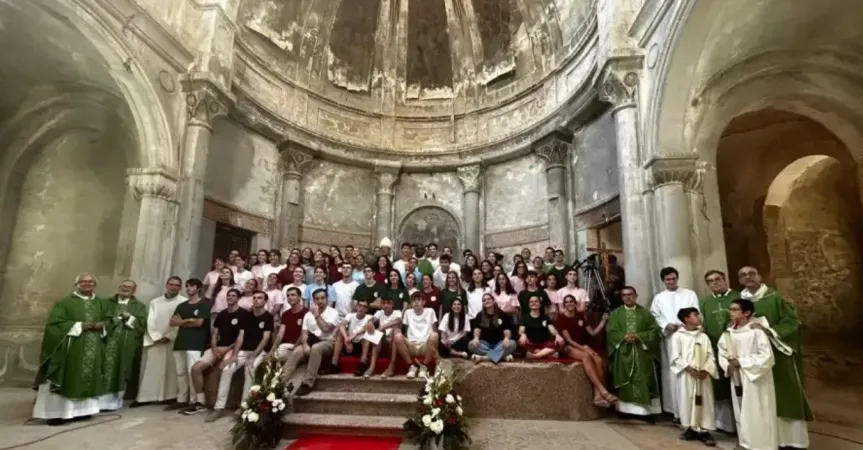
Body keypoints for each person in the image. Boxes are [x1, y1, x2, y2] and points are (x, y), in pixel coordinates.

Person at [737, 266, 812, 449]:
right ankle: (763, 439)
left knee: (785, 395)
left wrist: (768, 330)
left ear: (760, 276)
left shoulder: (775, 298)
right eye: (743, 275)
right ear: (739, 280)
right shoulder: (738, 301)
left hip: (779, 354)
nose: (748, 277)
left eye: (752, 273)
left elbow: (791, 322)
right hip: (753, 358)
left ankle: (792, 441)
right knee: (760, 398)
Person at [32, 273, 110, 425]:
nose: (87, 284)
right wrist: (79, 325)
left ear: (95, 285)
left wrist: (103, 324)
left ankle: (82, 411)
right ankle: (56, 413)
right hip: (70, 348)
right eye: (84, 281)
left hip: (94, 347)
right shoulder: (64, 303)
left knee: (89, 377)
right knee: (67, 376)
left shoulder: (101, 303)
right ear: (77, 284)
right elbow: (55, 325)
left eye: (91, 282)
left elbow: (109, 319)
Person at [718, 298, 788, 450]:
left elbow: (767, 357)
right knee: (741, 410)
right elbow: (722, 352)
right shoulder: (728, 333)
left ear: (747, 312)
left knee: (757, 410)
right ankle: (745, 442)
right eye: (730, 309)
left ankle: (761, 445)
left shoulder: (756, 332)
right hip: (736, 376)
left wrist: (741, 362)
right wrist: (728, 365)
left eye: (735, 309)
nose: (731, 312)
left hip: (755, 379)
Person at [206, 290, 273, 422]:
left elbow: (265, 339)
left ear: (265, 301)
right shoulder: (246, 316)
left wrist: (253, 356)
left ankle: (244, 406)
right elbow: (241, 336)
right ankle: (219, 408)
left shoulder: (268, 317)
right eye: (254, 298)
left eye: (260, 298)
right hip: (243, 351)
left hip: (259, 351)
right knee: (227, 369)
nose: (256, 300)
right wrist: (234, 355)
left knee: (250, 369)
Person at [183, 288, 248, 415]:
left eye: (233, 296)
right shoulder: (222, 314)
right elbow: (215, 333)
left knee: (225, 369)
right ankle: (200, 402)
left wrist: (227, 349)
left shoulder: (244, 314)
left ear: (238, 298)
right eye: (228, 295)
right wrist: (214, 348)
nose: (230, 297)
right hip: (217, 348)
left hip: (232, 348)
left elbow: (241, 337)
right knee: (195, 368)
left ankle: (219, 406)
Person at [650, 266, 700, 421]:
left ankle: (692, 409)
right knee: (673, 371)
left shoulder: (689, 294)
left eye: (673, 279)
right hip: (670, 338)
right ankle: (675, 410)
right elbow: (655, 315)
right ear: (663, 281)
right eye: (667, 280)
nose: (671, 282)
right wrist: (666, 325)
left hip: (688, 336)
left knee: (689, 368)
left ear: (677, 278)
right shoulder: (659, 298)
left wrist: (685, 324)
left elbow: (695, 311)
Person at [607, 286, 662, 421]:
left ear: (636, 296)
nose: (627, 297)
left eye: (630, 294)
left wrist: (639, 336)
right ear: (621, 298)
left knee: (643, 378)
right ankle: (624, 410)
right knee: (625, 380)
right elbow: (610, 331)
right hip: (623, 352)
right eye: (624, 295)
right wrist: (623, 337)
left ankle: (644, 412)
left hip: (641, 352)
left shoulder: (645, 313)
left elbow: (654, 331)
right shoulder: (616, 314)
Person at [557, 294, 617, 407]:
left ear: (575, 303)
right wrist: (585, 349)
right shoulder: (561, 318)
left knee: (599, 360)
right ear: (564, 305)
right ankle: (602, 390)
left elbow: (592, 333)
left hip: (583, 346)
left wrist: (603, 321)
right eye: (567, 302)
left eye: (571, 301)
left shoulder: (581, 316)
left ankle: (598, 396)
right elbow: (569, 340)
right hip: (567, 347)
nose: (569, 304)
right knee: (586, 356)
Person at [671, 307, 718, 447]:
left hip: (703, 375)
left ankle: (704, 430)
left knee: (704, 401)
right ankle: (691, 428)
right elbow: (675, 356)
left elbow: (710, 355)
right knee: (688, 400)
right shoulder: (678, 336)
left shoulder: (703, 336)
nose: (699, 317)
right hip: (687, 374)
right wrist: (690, 369)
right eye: (695, 315)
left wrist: (706, 370)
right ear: (686, 318)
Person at [136, 276, 186, 406]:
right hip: (156, 341)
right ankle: (146, 397)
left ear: (180, 287)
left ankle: (170, 397)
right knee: (152, 369)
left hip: (172, 340)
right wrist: (157, 336)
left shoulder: (183, 302)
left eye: (176, 285)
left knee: (171, 370)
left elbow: (181, 323)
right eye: (171, 284)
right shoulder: (155, 302)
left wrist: (169, 336)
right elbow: (150, 321)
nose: (173, 287)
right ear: (166, 285)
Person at [700, 270, 739, 433]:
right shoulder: (705, 302)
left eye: (718, 279)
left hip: (736, 348)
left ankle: (742, 424)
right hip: (715, 347)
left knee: (737, 384)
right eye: (710, 281)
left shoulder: (737, 297)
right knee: (719, 386)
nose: (714, 283)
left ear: (725, 280)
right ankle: (725, 424)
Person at [99, 280, 147, 411]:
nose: (126, 289)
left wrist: (130, 318)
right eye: (123, 286)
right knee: (101, 369)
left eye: (129, 287)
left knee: (121, 369)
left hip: (125, 344)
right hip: (105, 342)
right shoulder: (106, 303)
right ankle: (97, 401)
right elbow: (97, 318)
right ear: (119, 287)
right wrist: (109, 322)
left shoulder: (139, 306)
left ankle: (114, 401)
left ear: (134, 291)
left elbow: (142, 326)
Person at [164, 278, 211, 412]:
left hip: (195, 342)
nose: (189, 289)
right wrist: (188, 320)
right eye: (187, 286)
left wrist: (183, 322)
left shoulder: (204, 303)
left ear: (199, 288)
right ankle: (181, 399)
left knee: (192, 373)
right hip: (181, 341)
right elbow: (172, 323)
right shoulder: (182, 305)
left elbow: (199, 323)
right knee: (180, 373)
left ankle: (194, 400)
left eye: (191, 286)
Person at [294, 288, 341, 396]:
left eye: (322, 298)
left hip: (329, 343)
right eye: (317, 299)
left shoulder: (333, 312)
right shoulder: (308, 314)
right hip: (311, 341)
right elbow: (304, 332)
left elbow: (326, 328)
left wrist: (316, 315)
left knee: (316, 348)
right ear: (314, 300)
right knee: (296, 352)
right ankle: (280, 382)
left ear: (327, 299)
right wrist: (305, 345)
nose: (320, 301)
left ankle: (307, 383)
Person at [392, 292, 439, 379]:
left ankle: (424, 367)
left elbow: (435, 330)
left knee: (434, 335)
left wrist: (435, 351)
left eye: (419, 300)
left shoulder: (430, 311)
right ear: (411, 303)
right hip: (411, 345)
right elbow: (406, 331)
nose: (416, 302)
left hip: (425, 345)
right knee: (397, 336)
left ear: (424, 302)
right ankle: (411, 366)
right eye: (414, 301)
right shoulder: (408, 313)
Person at [270, 287, 309, 379]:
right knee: (271, 358)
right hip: (286, 345)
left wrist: (295, 346)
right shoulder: (285, 314)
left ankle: (279, 384)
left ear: (299, 297)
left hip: (300, 345)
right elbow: (280, 333)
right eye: (288, 295)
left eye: (293, 295)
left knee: (294, 354)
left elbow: (305, 333)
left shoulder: (307, 313)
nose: (290, 297)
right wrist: (273, 348)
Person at [469, 293, 517, 363]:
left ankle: (484, 358)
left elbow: (507, 330)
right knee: (471, 344)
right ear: (483, 303)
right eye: (484, 300)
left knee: (512, 343)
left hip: (500, 344)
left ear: (493, 301)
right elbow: (477, 329)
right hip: (485, 344)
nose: (487, 301)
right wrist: (476, 337)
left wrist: (506, 338)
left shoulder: (502, 314)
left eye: (489, 299)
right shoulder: (479, 315)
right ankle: (502, 356)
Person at [332, 298, 373, 376]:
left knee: (366, 336)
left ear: (367, 309)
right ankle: (334, 364)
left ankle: (363, 363)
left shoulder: (369, 317)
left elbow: (365, 327)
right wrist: (347, 339)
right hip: (350, 344)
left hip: (362, 346)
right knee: (340, 334)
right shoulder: (350, 315)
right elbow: (342, 325)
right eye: (360, 305)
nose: (361, 308)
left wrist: (353, 335)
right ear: (356, 306)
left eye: (364, 306)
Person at [518, 295, 564, 359]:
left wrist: (557, 335)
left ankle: (536, 355)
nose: (534, 303)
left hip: (544, 343)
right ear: (529, 305)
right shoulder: (524, 317)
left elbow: (552, 329)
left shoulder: (545, 317)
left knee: (560, 342)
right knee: (521, 342)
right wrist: (523, 334)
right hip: (531, 343)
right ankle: (547, 354)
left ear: (540, 304)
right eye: (531, 302)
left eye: (536, 301)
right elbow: (521, 330)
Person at [371, 297, 404, 378]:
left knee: (395, 330)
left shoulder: (397, 312)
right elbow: (372, 320)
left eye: (388, 303)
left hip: (394, 341)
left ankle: (391, 365)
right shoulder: (379, 312)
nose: (386, 305)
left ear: (392, 305)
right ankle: (372, 366)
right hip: (382, 341)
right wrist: (370, 323)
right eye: (384, 303)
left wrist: (381, 327)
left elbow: (397, 321)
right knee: (377, 333)